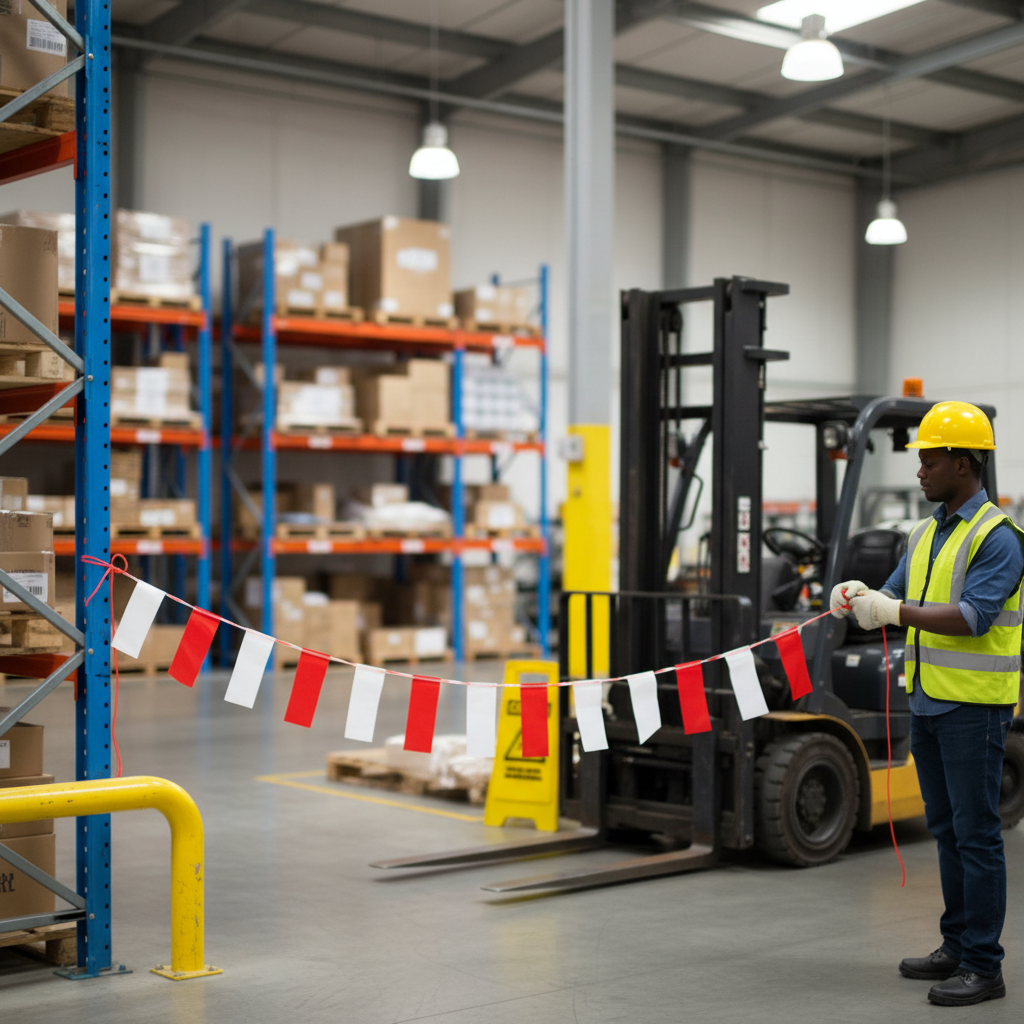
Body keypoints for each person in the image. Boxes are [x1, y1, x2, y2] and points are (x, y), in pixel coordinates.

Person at [830, 400, 1023, 1008]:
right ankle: (956, 944)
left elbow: (972, 617)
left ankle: (983, 966)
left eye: (929, 460)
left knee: (977, 834)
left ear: (963, 464)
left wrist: (892, 611)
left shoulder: (1001, 539)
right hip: (929, 702)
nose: (919, 471)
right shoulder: (924, 532)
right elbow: (894, 593)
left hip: (975, 708)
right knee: (944, 829)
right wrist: (860, 594)